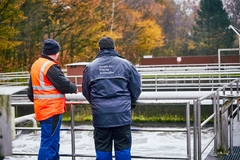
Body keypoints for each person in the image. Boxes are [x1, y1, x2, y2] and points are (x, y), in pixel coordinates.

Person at [82, 36, 141, 160]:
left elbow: (85, 91)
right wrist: (130, 103)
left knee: (102, 149)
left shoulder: (90, 67)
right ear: (114, 48)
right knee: (123, 148)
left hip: (101, 115)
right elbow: (136, 88)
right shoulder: (126, 65)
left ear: (99, 48)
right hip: (122, 115)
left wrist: (96, 103)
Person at [27, 39, 78, 160]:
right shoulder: (50, 66)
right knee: (49, 144)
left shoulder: (36, 64)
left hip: (42, 109)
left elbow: (30, 93)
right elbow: (64, 85)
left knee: (51, 142)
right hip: (52, 110)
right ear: (56, 52)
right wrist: (74, 88)